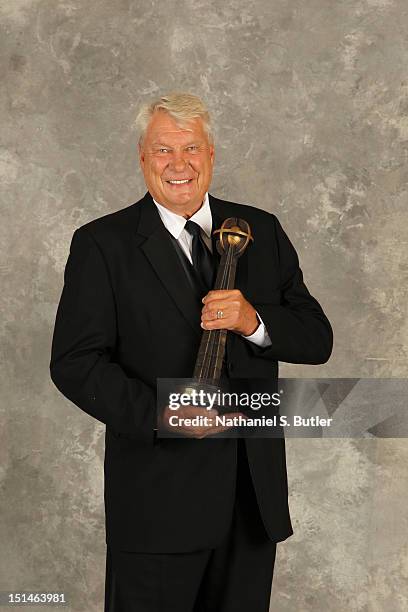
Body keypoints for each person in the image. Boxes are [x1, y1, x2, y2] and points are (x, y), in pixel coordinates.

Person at [50, 92, 333, 611]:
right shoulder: (101, 245)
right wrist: (165, 414)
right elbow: (75, 364)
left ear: (211, 155)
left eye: (191, 148)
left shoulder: (262, 230)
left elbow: (317, 339)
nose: (179, 164)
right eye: (163, 150)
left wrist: (254, 321)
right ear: (142, 157)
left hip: (252, 505)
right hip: (158, 505)